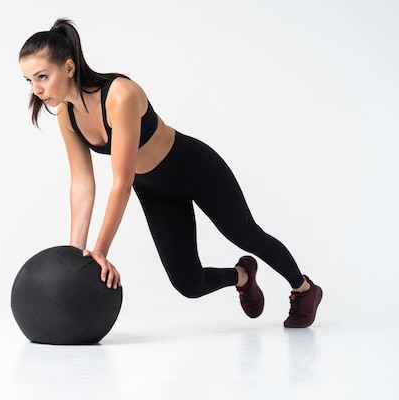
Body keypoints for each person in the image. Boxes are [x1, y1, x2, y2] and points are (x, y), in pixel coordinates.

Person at [18, 18, 323, 328]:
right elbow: (82, 183)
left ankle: (304, 289)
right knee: (188, 285)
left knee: (246, 235)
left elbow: (121, 181)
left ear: (69, 68)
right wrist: (75, 256)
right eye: (29, 80)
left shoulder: (119, 95)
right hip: (153, 188)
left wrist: (99, 251)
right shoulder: (66, 117)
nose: (37, 89)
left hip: (194, 168)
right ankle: (243, 276)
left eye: (42, 76)